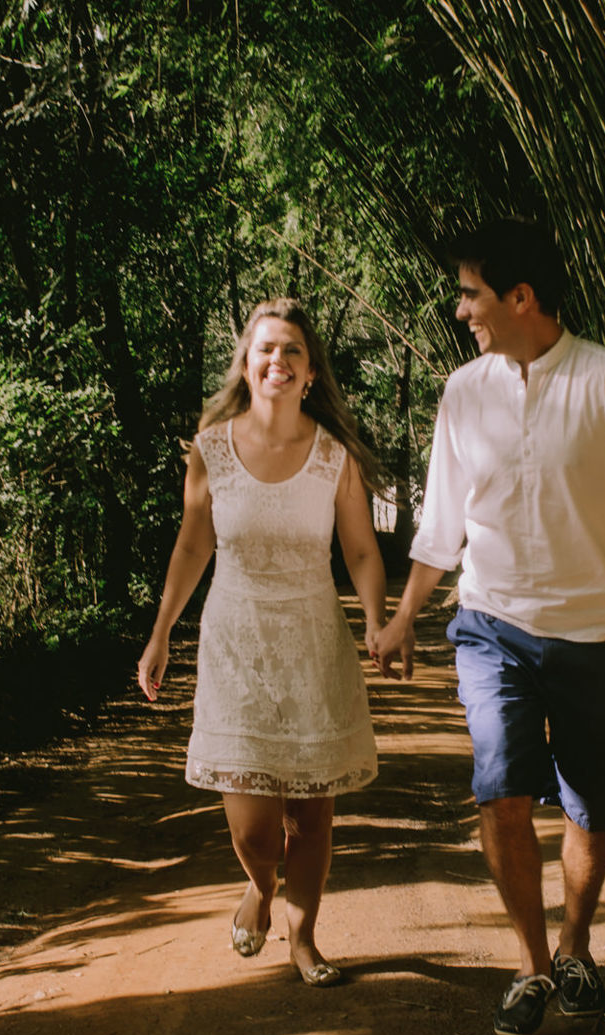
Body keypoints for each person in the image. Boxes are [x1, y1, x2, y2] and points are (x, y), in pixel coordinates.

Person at [370, 219, 605, 1035]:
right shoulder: (463, 394)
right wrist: (401, 617)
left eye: (472, 294)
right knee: (501, 791)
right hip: (492, 624)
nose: (461, 311)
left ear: (520, 297)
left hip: (599, 630)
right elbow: (440, 525)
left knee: (592, 809)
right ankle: (530, 968)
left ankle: (574, 949)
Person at [138, 298, 385, 988]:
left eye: (293, 352)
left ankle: (303, 940)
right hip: (236, 644)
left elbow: (362, 551)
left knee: (312, 815)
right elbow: (192, 546)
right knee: (253, 826)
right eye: (266, 349)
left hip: (313, 645)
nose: (279, 361)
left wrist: (373, 619)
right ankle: (260, 887)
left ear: (311, 374)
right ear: (247, 365)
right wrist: (160, 634)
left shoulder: (334, 457)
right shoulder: (211, 449)